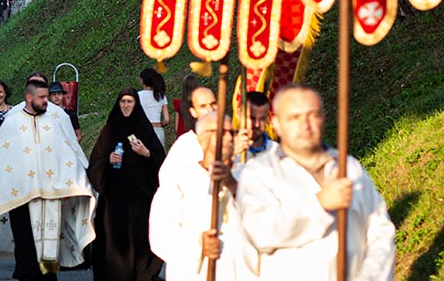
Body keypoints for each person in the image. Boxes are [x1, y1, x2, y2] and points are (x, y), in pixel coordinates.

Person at [237, 84, 395, 279]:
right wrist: (318, 205)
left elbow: (380, 230)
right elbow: (260, 232)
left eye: (313, 115)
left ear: (323, 118)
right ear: (276, 123)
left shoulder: (349, 168)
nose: (305, 125)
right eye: (294, 117)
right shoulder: (259, 173)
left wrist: (369, 277)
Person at [0, 79, 94, 280]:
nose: (46, 101)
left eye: (47, 97)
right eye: (42, 97)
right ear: (29, 98)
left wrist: (76, 182)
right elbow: (1, 156)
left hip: (49, 194)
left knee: (49, 246)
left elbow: (65, 154)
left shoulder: (53, 122)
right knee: (25, 245)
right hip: (20, 197)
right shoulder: (12, 122)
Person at [150, 112, 245, 281]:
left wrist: (233, 186)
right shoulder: (180, 179)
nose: (228, 138)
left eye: (231, 132)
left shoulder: (246, 175)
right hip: (194, 274)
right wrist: (198, 245)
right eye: (219, 132)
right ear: (201, 140)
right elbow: (160, 235)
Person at [87, 86, 165, 281]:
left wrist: (145, 153)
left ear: (136, 104)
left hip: (140, 195)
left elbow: (160, 160)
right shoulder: (109, 129)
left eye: (130, 101)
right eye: (123, 101)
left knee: (140, 236)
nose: (126, 105)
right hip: (115, 196)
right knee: (115, 238)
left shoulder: (144, 129)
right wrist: (108, 160)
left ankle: (143, 274)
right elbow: (95, 161)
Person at [138, 68, 172, 148]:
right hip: (158, 131)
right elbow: (167, 120)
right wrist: (159, 125)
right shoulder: (161, 97)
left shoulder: (137, 96)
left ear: (142, 81)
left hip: (143, 131)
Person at [243, 90, 278, 158]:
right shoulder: (228, 149)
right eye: (252, 118)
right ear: (239, 115)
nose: (257, 124)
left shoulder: (276, 151)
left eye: (262, 119)